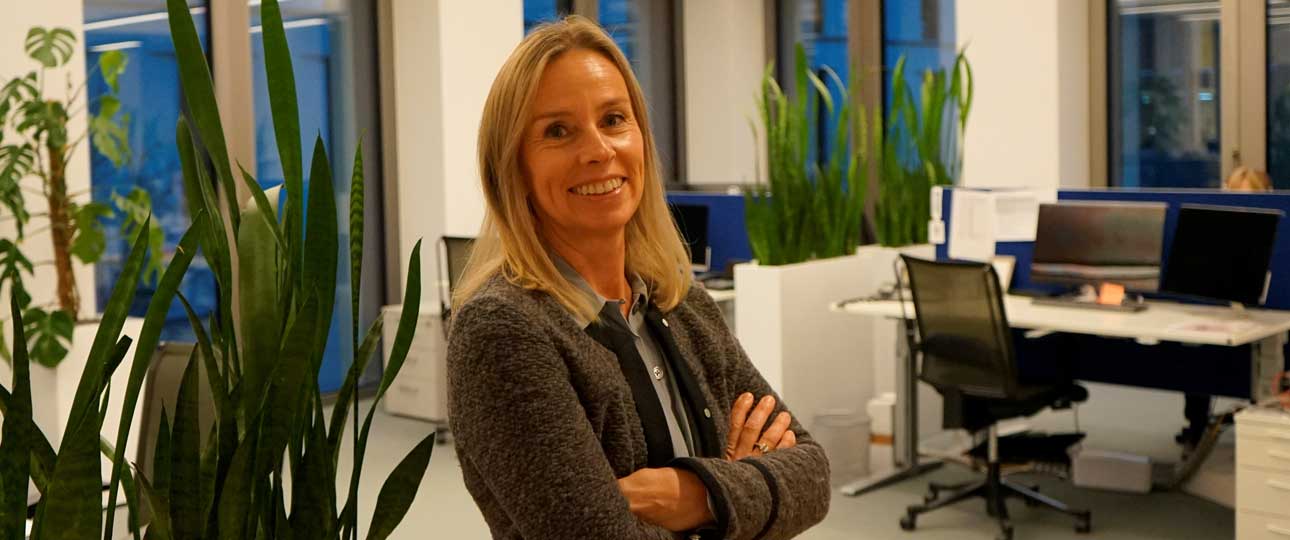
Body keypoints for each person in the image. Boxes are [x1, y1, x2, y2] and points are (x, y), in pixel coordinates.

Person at [445, 16, 831, 540]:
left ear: (642, 140)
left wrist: (699, 495)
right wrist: (743, 491)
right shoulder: (502, 330)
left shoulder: (683, 304)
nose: (598, 150)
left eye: (613, 120)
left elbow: (813, 475)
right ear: (513, 168)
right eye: (558, 131)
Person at [1178, 166, 1275, 449]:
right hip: (1221, 317)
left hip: (1270, 321)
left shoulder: (1276, 232)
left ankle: (1263, 424)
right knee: (1195, 354)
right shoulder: (1212, 233)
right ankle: (1197, 427)